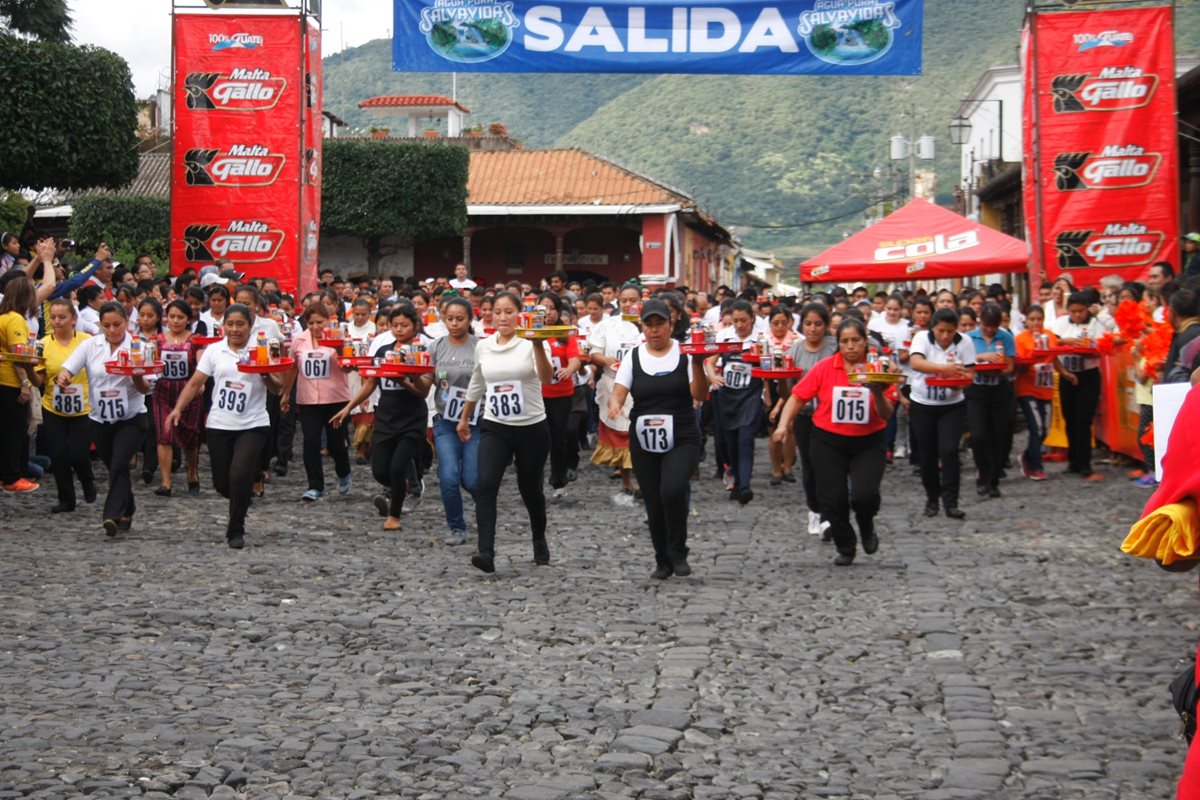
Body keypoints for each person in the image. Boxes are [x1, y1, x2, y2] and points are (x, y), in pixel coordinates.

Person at [774, 318, 898, 566]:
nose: (851, 346)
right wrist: (783, 425)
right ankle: (846, 545)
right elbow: (797, 397)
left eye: (856, 340)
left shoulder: (879, 369)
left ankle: (866, 523)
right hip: (828, 440)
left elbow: (886, 414)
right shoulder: (824, 368)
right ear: (838, 344)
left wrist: (875, 390)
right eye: (845, 341)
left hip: (869, 441)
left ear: (866, 342)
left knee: (864, 495)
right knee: (833, 497)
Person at [164, 304, 284, 548]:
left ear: (250, 326)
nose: (235, 329)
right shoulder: (214, 351)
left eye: (241, 324)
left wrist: (265, 374)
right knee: (223, 483)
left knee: (239, 474)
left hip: (253, 423)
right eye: (231, 324)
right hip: (220, 423)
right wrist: (177, 409)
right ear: (223, 326)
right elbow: (195, 382)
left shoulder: (261, 348)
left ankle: (236, 529)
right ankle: (240, 495)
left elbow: (277, 387)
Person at [608, 299, 709, 579]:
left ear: (671, 324)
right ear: (642, 326)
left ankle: (678, 551)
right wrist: (615, 403)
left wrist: (699, 365)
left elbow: (700, 394)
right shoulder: (634, 356)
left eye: (660, 324)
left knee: (672, 490)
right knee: (653, 497)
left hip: (682, 434)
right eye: (648, 324)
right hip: (644, 437)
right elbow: (620, 389)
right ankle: (662, 558)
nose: (655, 330)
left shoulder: (686, 354)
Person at [458, 291, 554, 574]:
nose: (502, 317)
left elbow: (546, 378)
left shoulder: (532, 342)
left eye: (508, 311)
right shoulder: (484, 346)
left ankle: (538, 537)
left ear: (519, 314)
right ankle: (485, 551)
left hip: (532, 427)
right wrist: (465, 417)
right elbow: (477, 380)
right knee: (485, 484)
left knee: (530, 489)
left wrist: (537, 345)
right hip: (495, 425)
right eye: (497, 311)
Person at [57, 302, 152, 535]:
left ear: (126, 322)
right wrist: (64, 377)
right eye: (107, 325)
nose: (112, 330)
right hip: (100, 418)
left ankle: (112, 515)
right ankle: (128, 507)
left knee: (120, 463)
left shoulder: (140, 347)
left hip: (131, 418)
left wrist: (136, 375)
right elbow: (68, 367)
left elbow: (146, 387)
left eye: (117, 325)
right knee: (114, 467)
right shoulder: (91, 345)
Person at [333, 304, 430, 532]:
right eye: (394, 325)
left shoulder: (422, 349)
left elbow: (423, 391)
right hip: (386, 413)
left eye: (404, 325)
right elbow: (371, 383)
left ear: (415, 325)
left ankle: (394, 516)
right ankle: (400, 488)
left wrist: (405, 380)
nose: (399, 329)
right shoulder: (383, 350)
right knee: (379, 470)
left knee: (398, 467)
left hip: (412, 413)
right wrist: (348, 408)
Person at [908, 308, 977, 519]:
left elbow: (970, 374)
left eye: (949, 331)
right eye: (940, 331)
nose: (945, 336)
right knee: (927, 455)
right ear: (933, 328)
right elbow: (916, 362)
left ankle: (951, 501)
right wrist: (943, 369)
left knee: (949, 451)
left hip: (951, 405)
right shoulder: (922, 338)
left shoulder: (964, 342)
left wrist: (958, 382)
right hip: (922, 403)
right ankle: (932, 498)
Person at [283, 304, 353, 502]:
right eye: (311, 322)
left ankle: (344, 471)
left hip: (336, 398)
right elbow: (292, 368)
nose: (315, 326)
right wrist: (286, 393)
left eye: (319, 322)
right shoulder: (298, 341)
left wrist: (339, 350)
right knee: (311, 442)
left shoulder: (337, 338)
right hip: (308, 400)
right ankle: (315, 486)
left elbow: (348, 368)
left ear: (329, 320)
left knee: (335, 443)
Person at [427, 296, 480, 546]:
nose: (455, 323)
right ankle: (456, 527)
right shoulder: (436, 347)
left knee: (471, 479)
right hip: (445, 421)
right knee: (448, 477)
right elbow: (427, 382)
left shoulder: (481, 347)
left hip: (475, 422)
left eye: (460, 319)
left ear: (470, 319)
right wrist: (405, 378)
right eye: (450, 319)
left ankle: (485, 510)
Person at [35, 298, 96, 511]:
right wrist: (26, 368)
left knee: (78, 454)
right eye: (53, 317)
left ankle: (87, 481)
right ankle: (66, 499)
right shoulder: (42, 344)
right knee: (59, 454)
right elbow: (38, 382)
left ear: (73, 319)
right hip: (54, 406)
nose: (57, 321)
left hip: (84, 407)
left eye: (62, 317)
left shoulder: (87, 341)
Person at [588, 283, 643, 505]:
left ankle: (645, 479)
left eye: (633, 300)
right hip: (613, 385)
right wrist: (605, 360)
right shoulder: (608, 325)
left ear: (641, 301)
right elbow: (593, 352)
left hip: (642, 388)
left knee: (640, 435)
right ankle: (627, 482)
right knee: (621, 437)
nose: (629, 304)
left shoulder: (648, 323)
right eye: (624, 301)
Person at [786, 303, 838, 536]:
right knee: (808, 464)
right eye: (808, 324)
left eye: (818, 324)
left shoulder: (836, 348)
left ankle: (830, 514)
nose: (813, 329)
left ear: (826, 326)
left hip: (831, 415)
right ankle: (814, 509)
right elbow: (788, 389)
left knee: (829, 466)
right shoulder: (795, 351)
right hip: (805, 415)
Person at [705, 299, 762, 504]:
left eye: (743, 321)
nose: (739, 325)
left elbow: (769, 365)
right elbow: (710, 361)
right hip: (727, 396)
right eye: (736, 320)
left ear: (752, 319)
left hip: (750, 396)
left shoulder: (760, 339)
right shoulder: (724, 336)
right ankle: (736, 479)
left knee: (745, 440)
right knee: (729, 443)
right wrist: (712, 376)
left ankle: (745, 485)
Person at [1052, 291, 1107, 480]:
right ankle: (1073, 460)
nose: (1077, 315)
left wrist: (1085, 348)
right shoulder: (1060, 323)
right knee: (1070, 418)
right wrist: (1064, 341)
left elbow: (1101, 348)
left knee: (1083, 419)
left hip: (1088, 375)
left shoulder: (1095, 324)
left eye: (1081, 311)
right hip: (1067, 374)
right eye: (1073, 311)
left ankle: (1085, 462)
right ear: (1068, 310)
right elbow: (1051, 343)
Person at [966, 302, 1016, 499]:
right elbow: (964, 362)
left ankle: (993, 480)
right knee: (978, 435)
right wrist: (982, 357)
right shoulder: (969, 338)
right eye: (986, 325)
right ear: (981, 322)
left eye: (993, 326)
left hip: (999, 389)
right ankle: (982, 474)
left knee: (998, 436)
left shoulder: (1006, 337)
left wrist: (999, 367)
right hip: (976, 389)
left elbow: (1010, 366)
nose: (989, 329)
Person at [152, 300, 203, 497]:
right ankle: (166, 481)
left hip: (187, 389)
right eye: (172, 316)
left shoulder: (194, 339)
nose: (175, 321)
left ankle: (192, 471)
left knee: (190, 435)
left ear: (188, 319)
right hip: (163, 389)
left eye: (180, 317)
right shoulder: (157, 339)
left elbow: (200, 361)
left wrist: (200, 380)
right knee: (164, 435)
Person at [536, 292, 581, 500]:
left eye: (551, 307)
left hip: (561, 394)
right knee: (536, 440)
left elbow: (575, 358)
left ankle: (558, 481)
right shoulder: (531, 333)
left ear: (558, 310)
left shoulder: (565, 333)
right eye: (543, 308)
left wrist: (569, 369)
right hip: (536, 394)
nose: (547, 312)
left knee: (558, 438)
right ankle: (532, 480)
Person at [0, 275, 41, 492]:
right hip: (9, 381)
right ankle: (12, 477)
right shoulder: (15, 320)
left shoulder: (3, 317)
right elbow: (18, 356)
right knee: (14, 431)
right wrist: (25, 382)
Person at [762, 305, 799, 485]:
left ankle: (788, 467)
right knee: (772, 430)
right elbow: (761, 370)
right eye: (775, 323)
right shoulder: (764, 340)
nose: (779, 327)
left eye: (783, 323)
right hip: (771, 386)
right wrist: (767, 395)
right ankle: (776, 468)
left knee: (790, 428)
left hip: (794, 389)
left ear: (790, 322)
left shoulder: (798, 340)